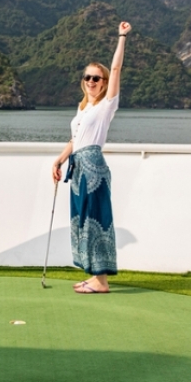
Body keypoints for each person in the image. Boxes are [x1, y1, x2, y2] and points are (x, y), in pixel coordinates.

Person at [52, 21, 131, 293]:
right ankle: (93, 274)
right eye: (87, 78)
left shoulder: (107, 105)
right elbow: (75, 140)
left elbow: (118, 67)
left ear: (105, 82)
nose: (91, 82)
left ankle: (102, 281)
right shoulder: (82, 109)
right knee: (82, 220)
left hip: (94, 168)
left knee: (97, 218)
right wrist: (59, 160)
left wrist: (121, 37)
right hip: (77, 168)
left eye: (96, 78)